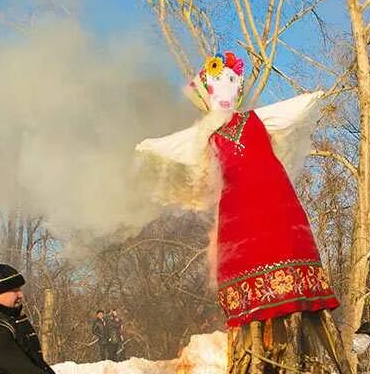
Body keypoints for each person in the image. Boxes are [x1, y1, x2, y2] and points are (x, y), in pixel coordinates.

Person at [137, 50, 338, 325]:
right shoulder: (204, 137)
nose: (225, 88)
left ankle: (298, 295)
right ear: (206, 92)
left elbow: (288, 111)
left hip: (275, 195)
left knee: (284, 243)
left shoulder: (256, 118)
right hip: (238, 207)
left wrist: (312, 98)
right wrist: (150, 146)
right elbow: (175, 145)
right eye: (218, 82)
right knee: (246, 255)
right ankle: (252, 308)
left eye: (232, 81)